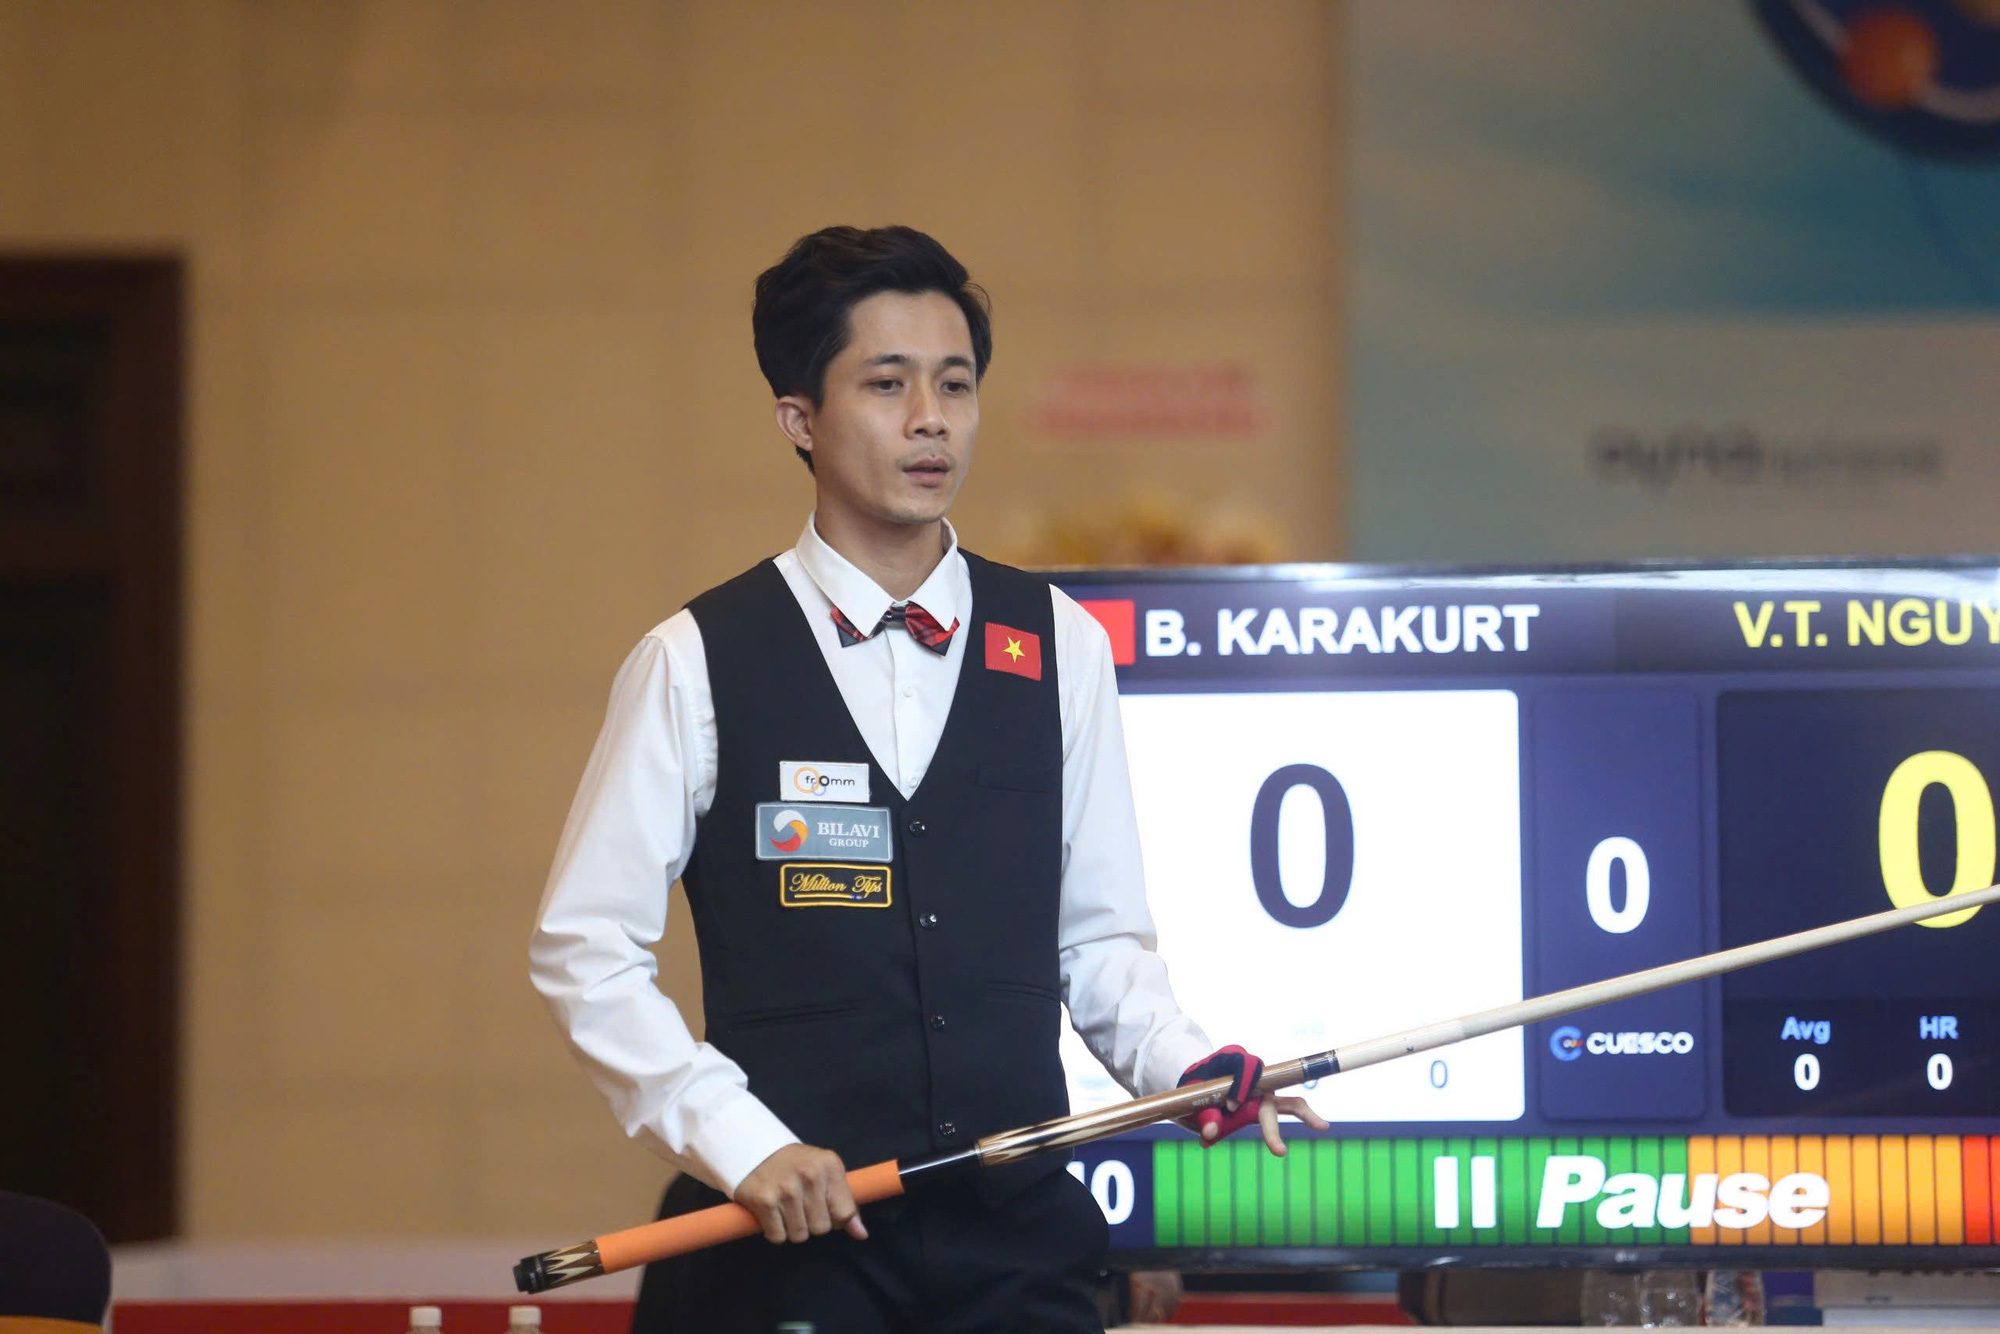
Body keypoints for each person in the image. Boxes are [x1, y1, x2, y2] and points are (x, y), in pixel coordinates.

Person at [529, 224, 1327, 1333]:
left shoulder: (1059, 642)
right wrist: (738, 1138)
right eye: (886, 383)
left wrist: (1187, 1063)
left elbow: (1097, 944)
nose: (929, 418)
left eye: (955, 383)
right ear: (797, 418)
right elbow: (583, 948)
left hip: (1013, 1251)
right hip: (788, 1250)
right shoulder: (694, 658)